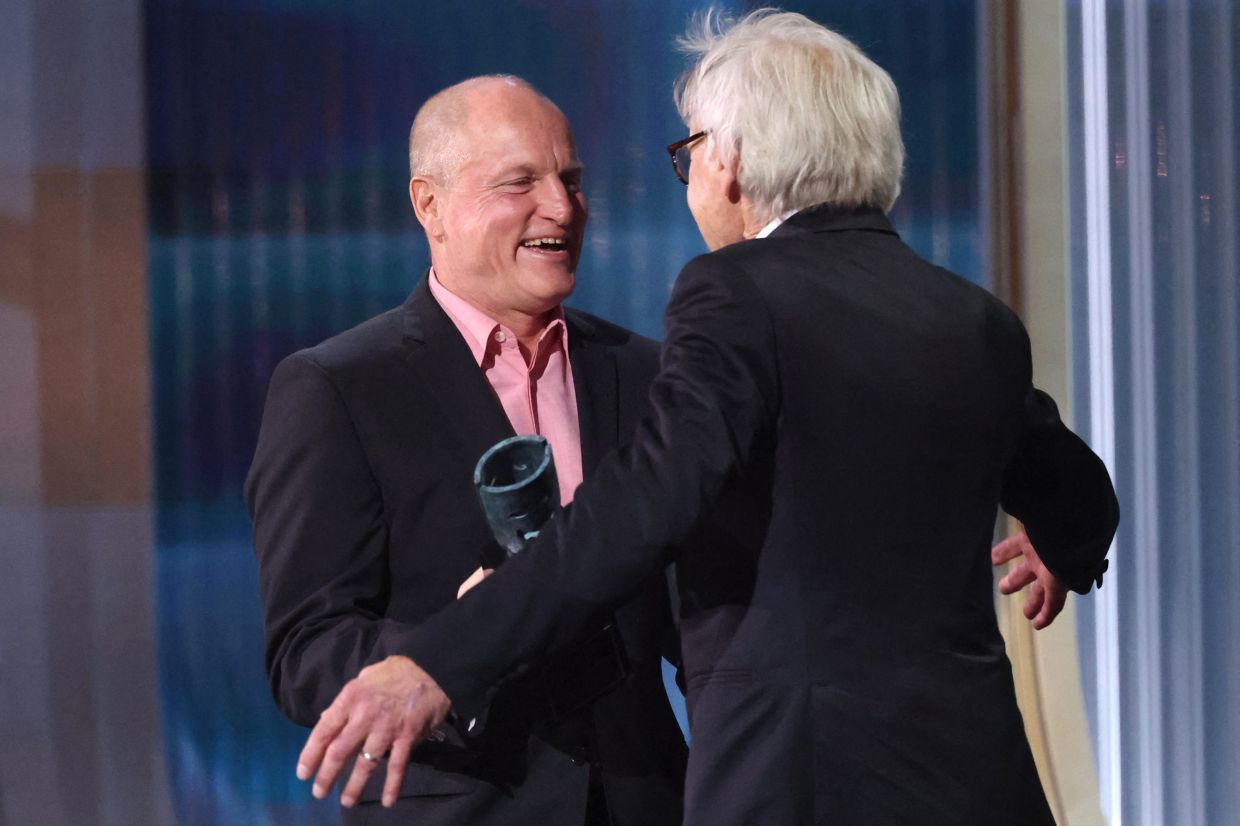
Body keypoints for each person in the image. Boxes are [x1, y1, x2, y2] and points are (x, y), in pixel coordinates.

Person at [298, 10, 1120, 825]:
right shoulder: (973, 319)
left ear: (728, 163)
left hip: (796, 783)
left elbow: (644, 508)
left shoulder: (734, 294)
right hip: (978, 783)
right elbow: (1083, 496)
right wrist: (1064, 548)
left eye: (687, 151)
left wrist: (447, 655)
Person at [245, 75, 689, 825]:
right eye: (522, 182)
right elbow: (306, 649)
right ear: (430, 205)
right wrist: (456, 648)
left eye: (571, 180)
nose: (561, 206)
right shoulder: (339, 389)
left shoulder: (649, 374)